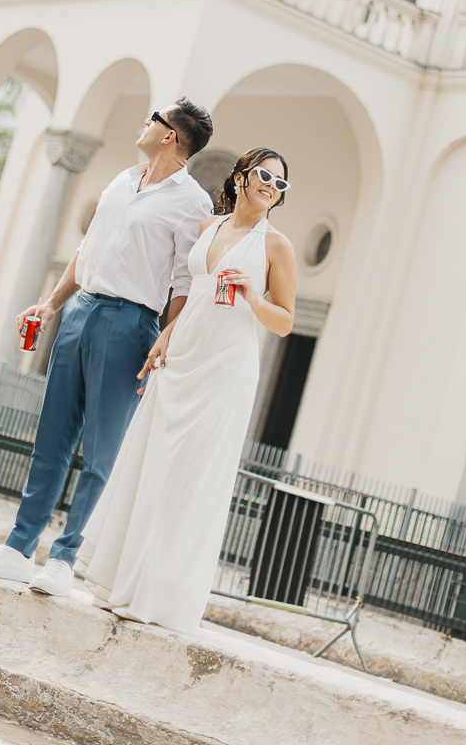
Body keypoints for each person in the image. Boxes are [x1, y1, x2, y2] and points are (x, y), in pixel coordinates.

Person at [0, 98, 214, 596]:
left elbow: (185, 282)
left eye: (154, 118)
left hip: (131, 322)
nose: (145, 122)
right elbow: (87, 250)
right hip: (80, 313)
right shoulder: (122, 180)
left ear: (170, 135)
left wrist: (167, 335)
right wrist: (51, 305)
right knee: (51, 439)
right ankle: (18, 548)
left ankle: (64, 559)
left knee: (100, 453)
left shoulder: (193, 202)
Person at [76, 147, 297, 634]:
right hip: (181, 359)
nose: (270, 186)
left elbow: (284, 322)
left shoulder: (276, 246)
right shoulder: (208, 227)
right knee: (152, 465)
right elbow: (195, 295)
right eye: (264, 176)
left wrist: (253, 296)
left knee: (188, 477)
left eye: (280, 184)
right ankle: (122, 582)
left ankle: (157, 597)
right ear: (240, 176)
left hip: (224, 369)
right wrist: (165, 337)